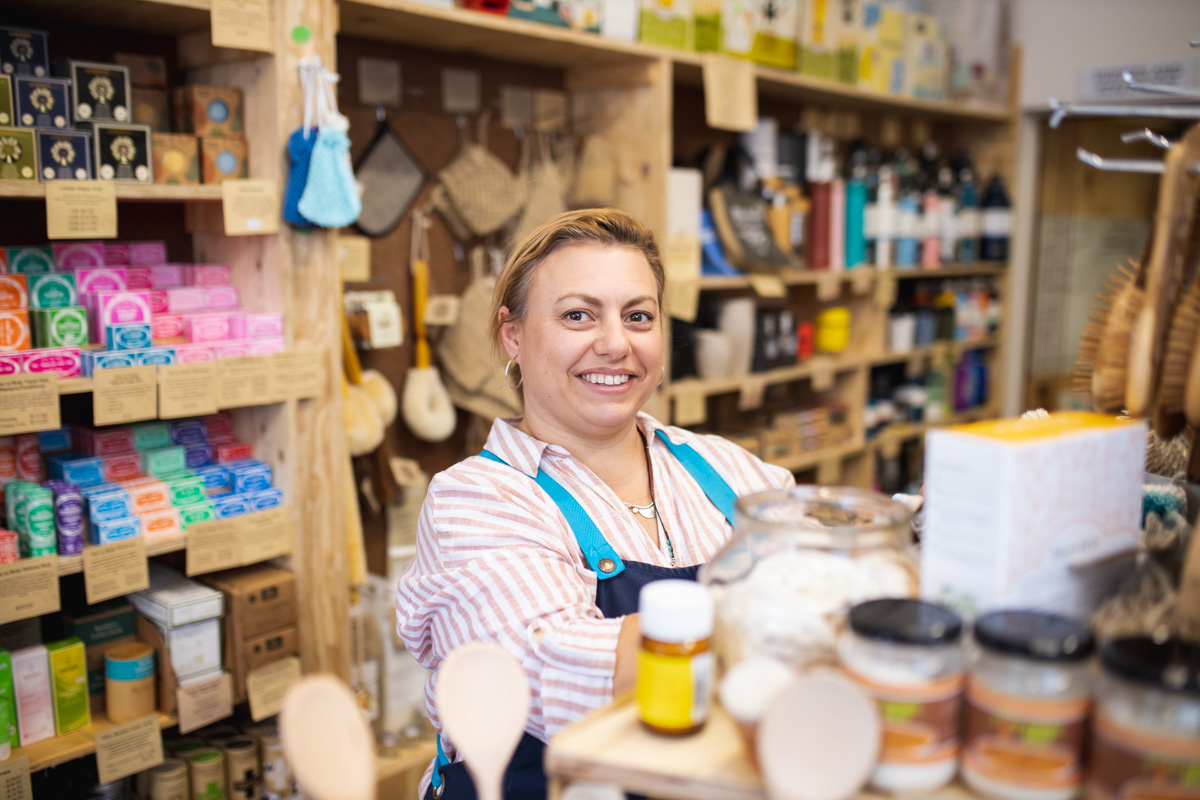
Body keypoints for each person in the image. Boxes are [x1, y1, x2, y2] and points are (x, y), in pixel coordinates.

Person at [396, 209, 794, 800]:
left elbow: (835, 549)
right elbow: (549, 670)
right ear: (513, 336)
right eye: (578, 316)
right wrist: (795, 608)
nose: (615, 344)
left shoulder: (726, 469)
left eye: (639, 316)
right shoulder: (474, 501)